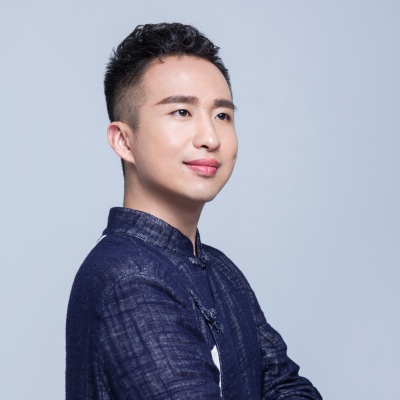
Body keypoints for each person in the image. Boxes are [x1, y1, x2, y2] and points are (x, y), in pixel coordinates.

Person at [66, 23, 322, 399]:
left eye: (222, 116)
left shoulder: (221, 270)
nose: (210, 138)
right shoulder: (129, 278)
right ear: (123, 140)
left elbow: (289, 387)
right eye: (182, 111)